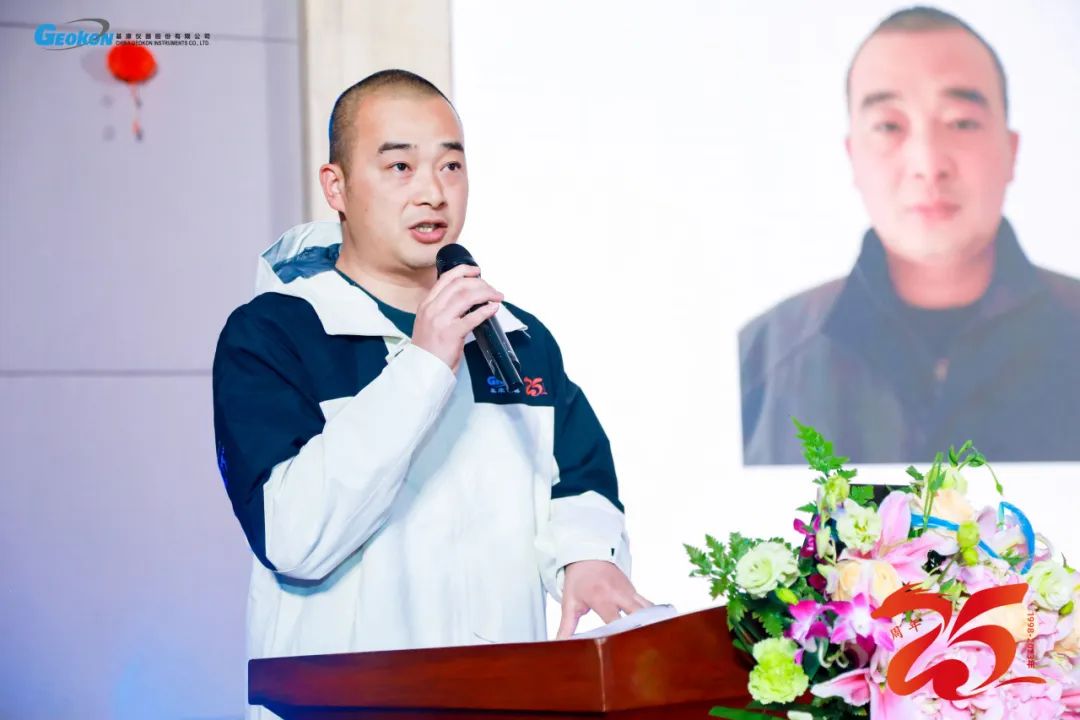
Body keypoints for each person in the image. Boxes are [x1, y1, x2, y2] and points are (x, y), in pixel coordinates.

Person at [212, 70, 649, 719]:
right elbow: (294, 538)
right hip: (348, 706)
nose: (432, 192)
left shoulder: (519, 340)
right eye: (400, 167)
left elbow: (578, 480)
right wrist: (424, 363)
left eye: (451, 166)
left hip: (502, 699)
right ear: (336, 186)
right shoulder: (275, 334)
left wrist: (585, 558)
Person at [739, 6, 1080, 465]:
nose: (928, 162)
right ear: (853, 156)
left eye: (961, 122)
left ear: (1011, 150)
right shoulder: (760, 363)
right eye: (889, 126)